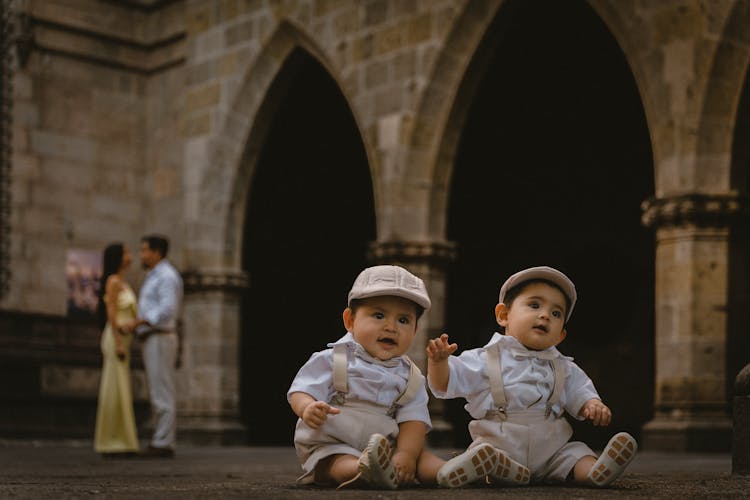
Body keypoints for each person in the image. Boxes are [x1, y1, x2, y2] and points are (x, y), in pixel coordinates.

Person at [427, 266, 637, 488]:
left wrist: (592, 403)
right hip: (501, 442)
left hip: (551, 449)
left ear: (561, 335)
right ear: (503, 315)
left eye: (556, 313)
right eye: (534, 305)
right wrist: (438, 363)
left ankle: (595, 471)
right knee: (486, 454)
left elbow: (580, 390)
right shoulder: (484, 358)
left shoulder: (564, 367)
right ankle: (499, 468)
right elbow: (445, 384)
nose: (545, 315)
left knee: (575, 454)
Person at [287, 265, 473, 489]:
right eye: (378, 315)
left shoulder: (410, 376)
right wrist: (307, 407)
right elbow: (301, 390)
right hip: (335, 441)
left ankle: (450, 471)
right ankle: (362, 470)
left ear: (414, 331)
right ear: (350, 321)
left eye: (403, 320)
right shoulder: (333, 359)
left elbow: (412, 422)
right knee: (335, 463)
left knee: (419, 457)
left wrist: (405, 454)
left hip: (387, 446)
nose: (390, 327)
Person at [123, 234, 183, 458]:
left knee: (162, 388)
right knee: (157, 387)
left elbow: (167, 308)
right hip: (153, 337)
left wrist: (140, 321)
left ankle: (164, 441)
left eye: (145, 250)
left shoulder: (167, 276)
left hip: (160, 335)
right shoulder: (155, 275)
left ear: (157, 252)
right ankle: (160, 437)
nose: (142, 255)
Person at [93, 243, 139, 457]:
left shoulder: (122, 282)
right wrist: (119, 342)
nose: (130, 256)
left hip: (123, 338)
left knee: (120, 388)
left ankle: (121, 439)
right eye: (127, 252)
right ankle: (111, 441)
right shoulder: (113, 281)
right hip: (116, 339)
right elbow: (111, 312)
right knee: (114, 387)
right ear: (119, 258)